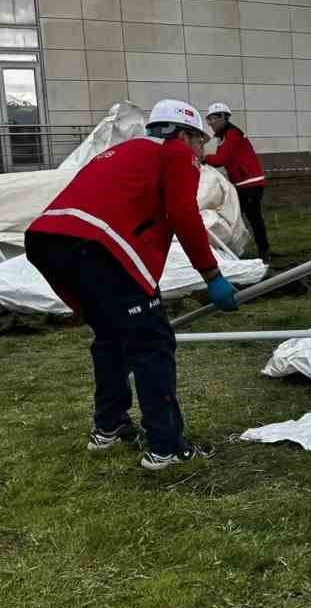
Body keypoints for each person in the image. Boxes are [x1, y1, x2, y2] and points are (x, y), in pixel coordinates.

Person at [24, 99, 240, 471]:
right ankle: (166, 446)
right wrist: (212, 276)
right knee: (152, 342)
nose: (201, 152)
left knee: (111, 337)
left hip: (49, 240)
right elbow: (184, 214)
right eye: (200, 142)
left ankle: (109, 426)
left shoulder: (120, 151)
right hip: (99, 247)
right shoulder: (175, 152)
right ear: (183, 133)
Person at [201, 103, 270, 264]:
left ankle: (264, 251)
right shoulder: (224, 136)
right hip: (243, 183)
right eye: (208, 119)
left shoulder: (232, 134)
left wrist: (202, 158)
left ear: (222, 118)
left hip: (250, 183)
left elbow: (221, 159)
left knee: (254, 218)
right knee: (240, 217)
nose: (210, 123)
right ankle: (249, 249)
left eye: (211, 119)